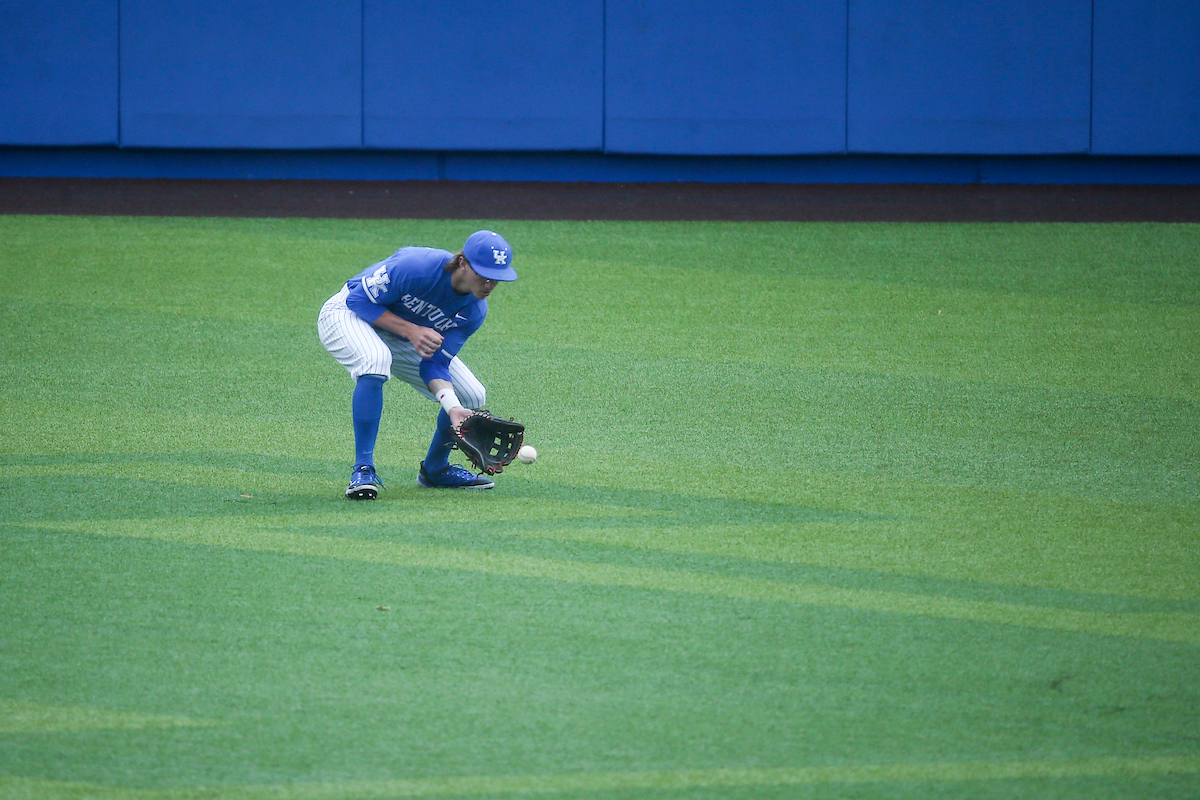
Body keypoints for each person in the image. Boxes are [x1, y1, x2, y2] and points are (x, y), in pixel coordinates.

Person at [317, 230, 518, 499]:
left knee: (471, 395)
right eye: (484, 275)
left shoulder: (473, 311)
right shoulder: (416, 267)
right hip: (349, 315)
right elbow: (357, 299)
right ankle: (363, 470)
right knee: (375, 360)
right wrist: (411, 330)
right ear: (462, 263)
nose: (490, 284)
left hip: (403, 336)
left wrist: (453, 407)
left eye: (497, 278)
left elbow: (435, 365)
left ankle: (435, 470)